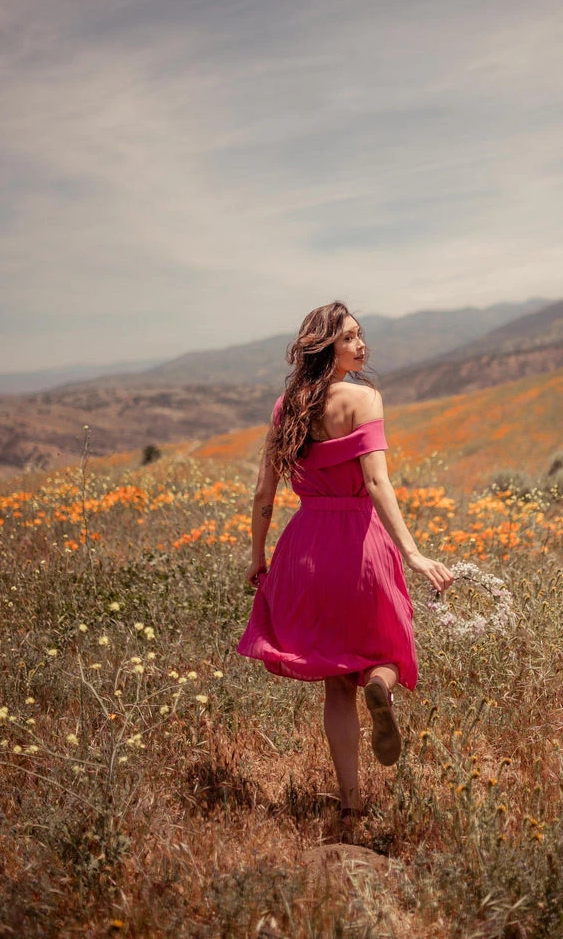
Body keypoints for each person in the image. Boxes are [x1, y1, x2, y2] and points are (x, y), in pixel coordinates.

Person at [237, 301, 454, 834]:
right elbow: (377, 482)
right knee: (388, 650)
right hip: (360, 545)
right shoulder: (364, 399)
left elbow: (264, 493)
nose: (361, 346)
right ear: (326, 348)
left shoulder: (286, 408)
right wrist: (412, 553)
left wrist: (257, 556)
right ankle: (380, 685)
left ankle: (350, 805)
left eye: (360, 336)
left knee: (336, 684)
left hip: (305, 551)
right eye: (350, 338)